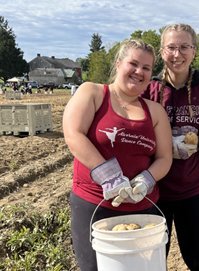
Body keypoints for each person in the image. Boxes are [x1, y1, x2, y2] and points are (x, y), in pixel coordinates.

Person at [62, 39, 173, 271]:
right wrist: (109, 176)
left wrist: (146, 180)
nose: (139, 71)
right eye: (133, 63)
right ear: (119, 64)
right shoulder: (92, 92)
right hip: (95, 205)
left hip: (142, 209)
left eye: (146, 68)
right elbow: (74, 134)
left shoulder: (155, 111)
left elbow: (164, 158)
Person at [140, 23, 199, 271]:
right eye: (171, 47)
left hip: (191, 190)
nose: (177, 54)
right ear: (161, 51)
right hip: (154, 192)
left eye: (184, 47)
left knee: (197, 260)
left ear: (194, 51)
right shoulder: (148, 90)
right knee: (155, 262)